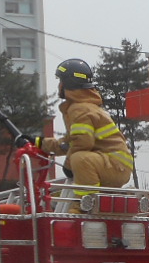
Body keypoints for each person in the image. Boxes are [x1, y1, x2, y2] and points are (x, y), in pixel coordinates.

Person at [40, 58, 133, 208]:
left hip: (114, 165)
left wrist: (68, 165)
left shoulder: (80, 109)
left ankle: (85, 207)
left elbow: (83, 142)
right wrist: (39, 143)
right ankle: (90, 205)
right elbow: (70, 143)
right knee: (78, 157)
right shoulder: (85, 107)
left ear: (67, 83)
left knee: (79, 159)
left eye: (60, 81)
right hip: (113, 165)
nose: (59, 85)